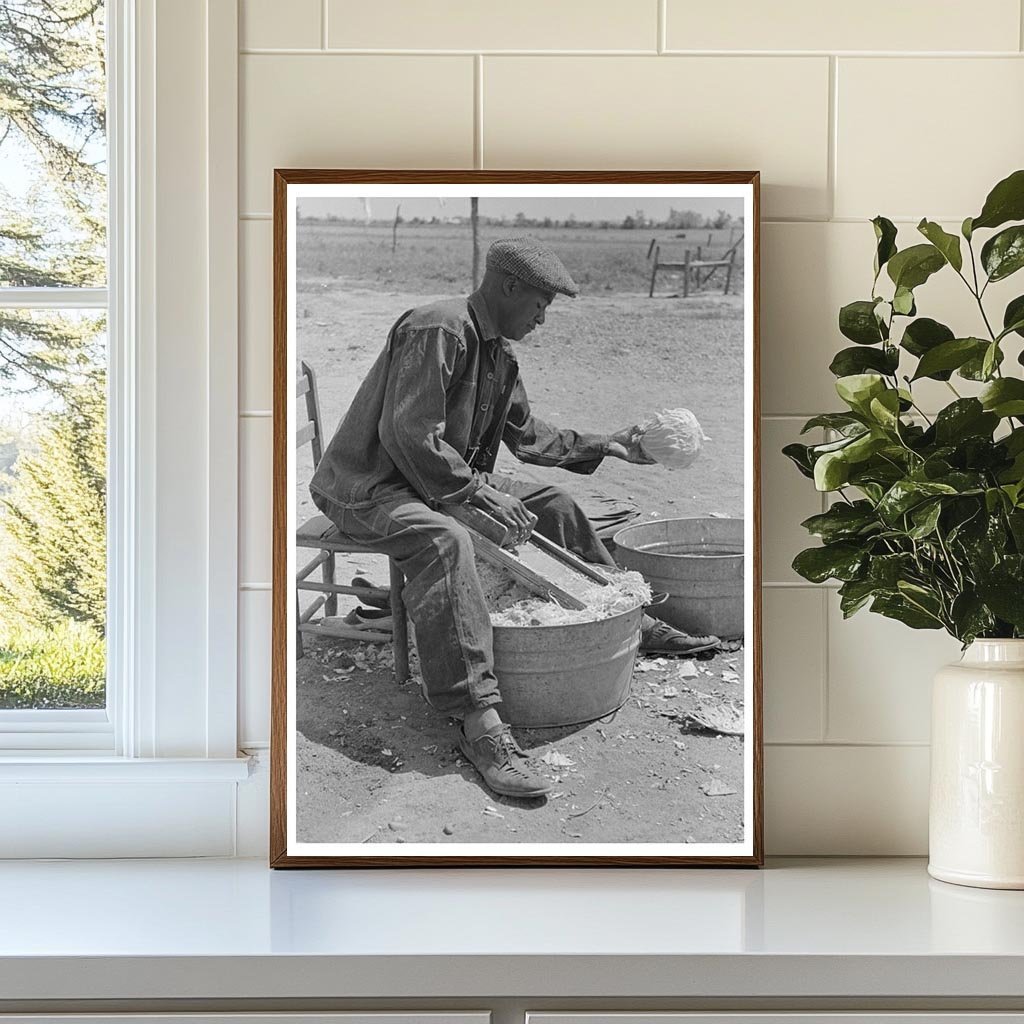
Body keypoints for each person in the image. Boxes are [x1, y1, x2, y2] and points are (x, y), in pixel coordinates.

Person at [310, 236, 719, 800]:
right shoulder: (439, 328)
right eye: (541, 304)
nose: (543, 318)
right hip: (369, 485)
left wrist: (610, 443)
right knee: (444, 542)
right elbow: (406, 436)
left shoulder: (500, 355)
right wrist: (476, 491)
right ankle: (479, 721)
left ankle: (625, 617)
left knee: (551, 502)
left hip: (430, 479)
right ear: (509, 287)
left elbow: (528, 438)